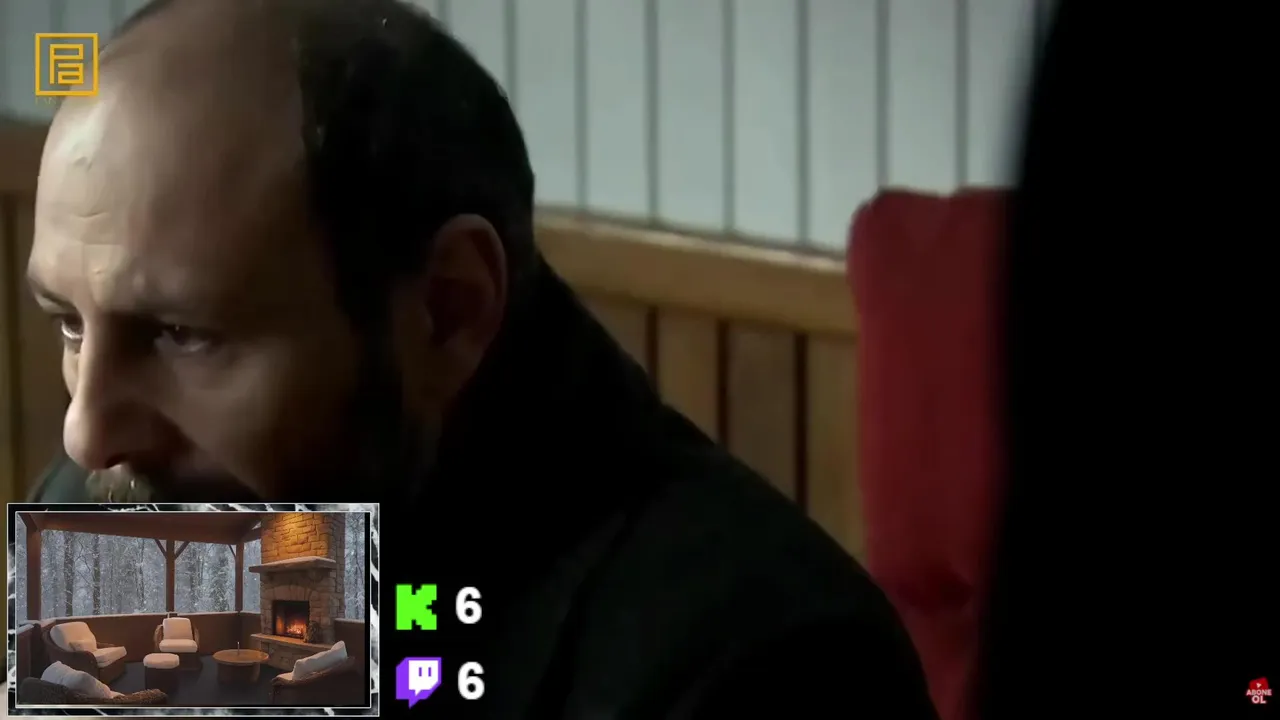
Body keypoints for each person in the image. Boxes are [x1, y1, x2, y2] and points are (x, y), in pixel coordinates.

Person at [25, 0, 937, 716]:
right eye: (69, 324)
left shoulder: (764, 666)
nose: (86, 432)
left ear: (448, 311)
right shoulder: (150, 510)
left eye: (181, 335)